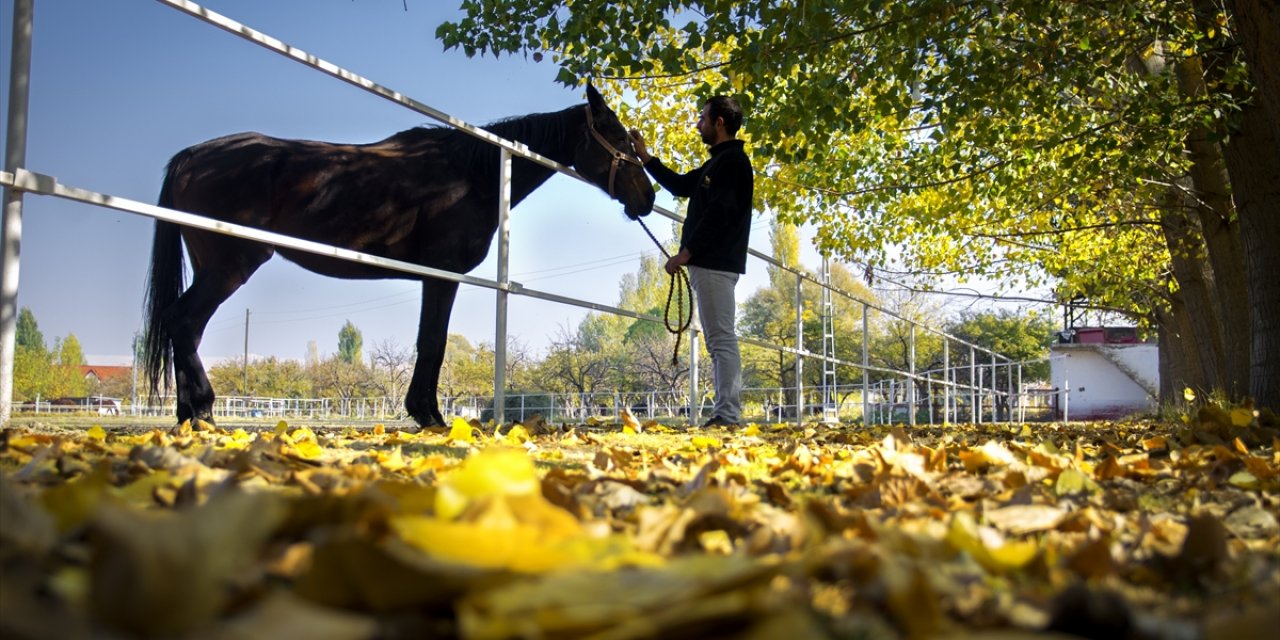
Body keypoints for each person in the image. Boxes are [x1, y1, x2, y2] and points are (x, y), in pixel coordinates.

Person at [630, 95, 754, 428]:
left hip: (714, 263)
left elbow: (720, 213)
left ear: (719, 123)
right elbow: (683, 185)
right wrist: (645, 158)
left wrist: (686, 253)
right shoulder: (717, 164)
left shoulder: (732, 164)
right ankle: (727, 413)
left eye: (702, 118)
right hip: (712, 263)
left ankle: (728, 415)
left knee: (720, 340)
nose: (697, 124)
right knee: (719, 339)